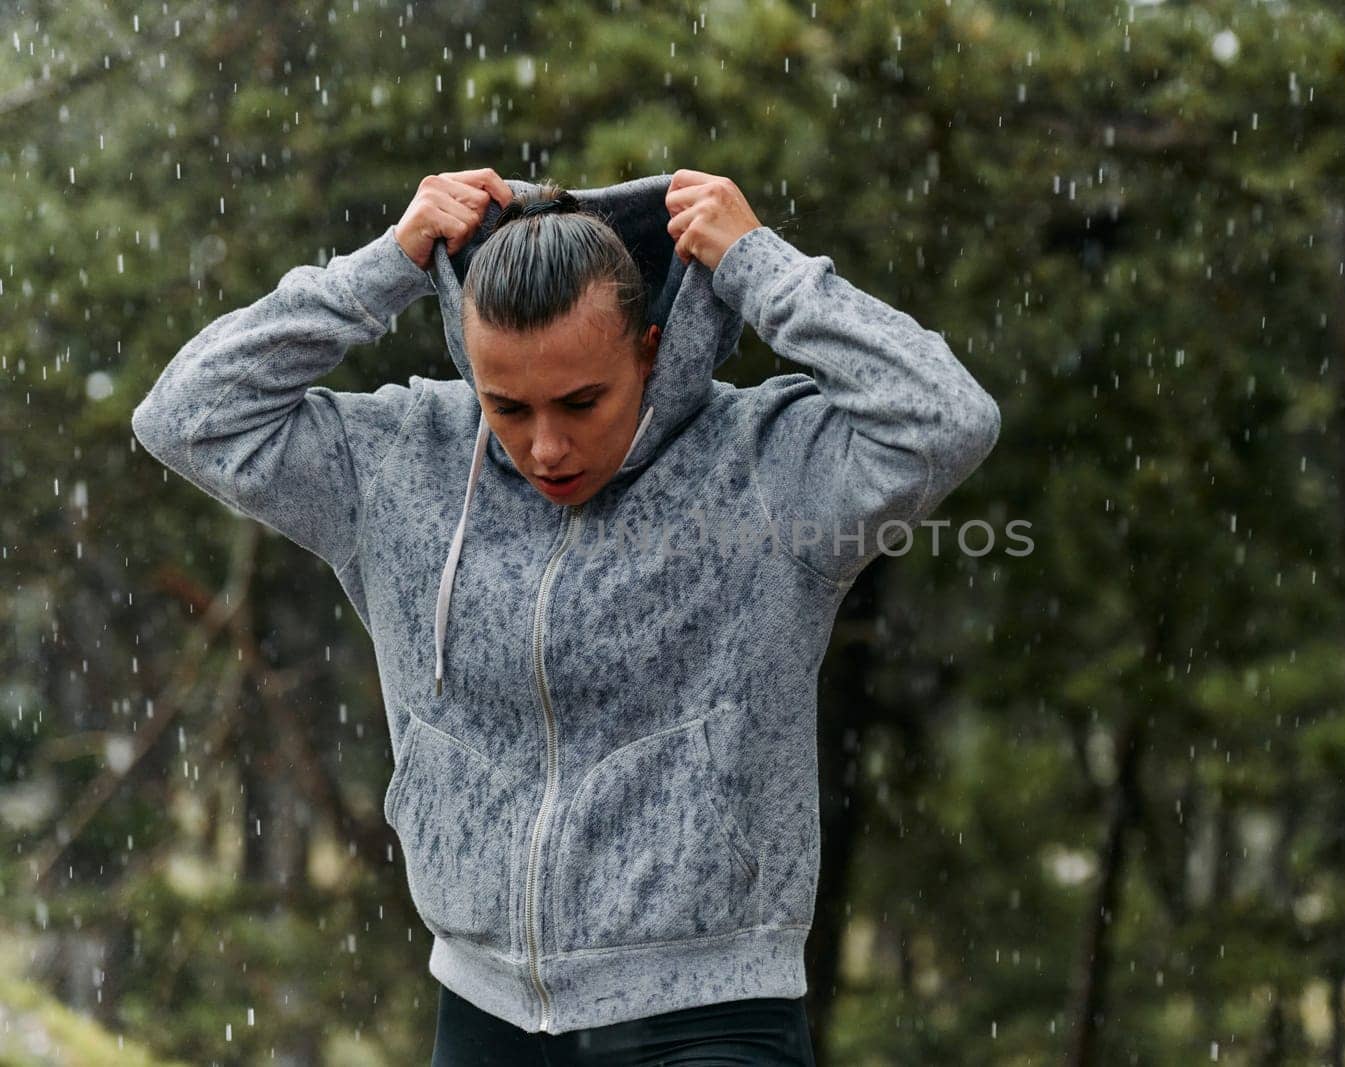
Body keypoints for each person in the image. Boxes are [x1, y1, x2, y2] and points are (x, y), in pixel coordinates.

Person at [131, 167, 1001, 1063]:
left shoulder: (770, 470)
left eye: (582, 402)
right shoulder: (400, 465)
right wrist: (385, 266)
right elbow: (187, 414)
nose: (547, 446)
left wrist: (757, 263)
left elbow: (946, 418)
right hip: (483, 1011)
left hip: (711, 1016)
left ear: (652, 350)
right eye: (508, 406)